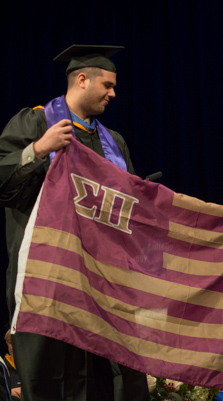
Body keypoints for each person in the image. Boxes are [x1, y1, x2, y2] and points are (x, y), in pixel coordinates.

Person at [0, 45, 148, 401]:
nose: (113, 93)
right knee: (54, 379)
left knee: (111, 380)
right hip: (48, 280)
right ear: (82, 79)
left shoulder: (114, 142)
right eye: (108, 85)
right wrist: (38, 149)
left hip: (105, 283)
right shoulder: (35, 122)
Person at [3, 331, 20, 400]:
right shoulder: (2, 368)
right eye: (10, 343)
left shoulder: (35, 367)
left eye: (15, 343)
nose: (12, 347)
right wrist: (8, 392)